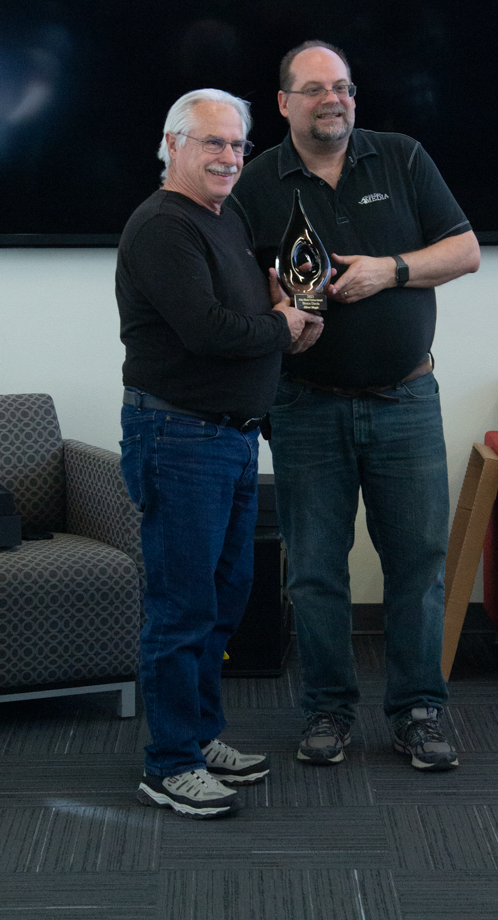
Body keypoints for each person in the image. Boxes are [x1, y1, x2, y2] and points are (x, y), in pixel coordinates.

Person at [229, 42, 481, 771]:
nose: (332, 99)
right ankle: (327, 712)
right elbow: (239, 283)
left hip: (407, 400)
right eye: (314, 89)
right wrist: (276, 304)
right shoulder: (255, 182)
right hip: (306, 406)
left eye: (341, 87)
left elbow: (463, 251)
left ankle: (418, 711)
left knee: (417, 567)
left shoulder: (401, 157)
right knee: (314, 571)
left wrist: (389, 271)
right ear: (284, 103)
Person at [116, 88, 323, 818]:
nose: (230, 156)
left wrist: (282, 312)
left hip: (228, 439)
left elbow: (245, 312)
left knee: (223, 599)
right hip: (179, 440)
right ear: (173, 144)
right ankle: (169, 764)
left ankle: (200, 736)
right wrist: (281, 325)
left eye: (238, 144)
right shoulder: (162, 226)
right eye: (213, 142)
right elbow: (207, 330)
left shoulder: (224, 216)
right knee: (182, 607)